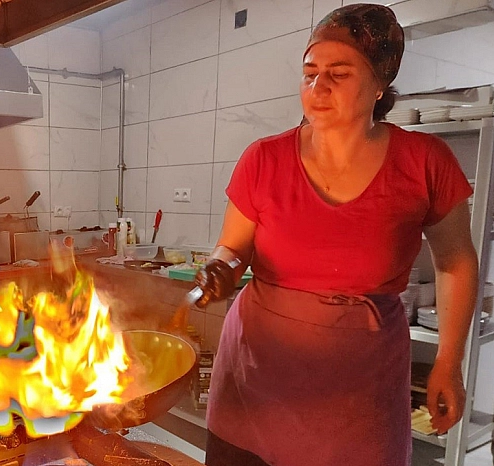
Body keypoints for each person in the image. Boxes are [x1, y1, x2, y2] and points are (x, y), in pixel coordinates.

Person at [194, 4, 479, 466]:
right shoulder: (263, 159)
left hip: (359, 391)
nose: (317, 87)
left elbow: (456, 261)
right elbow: (234, 247)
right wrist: (220, 268)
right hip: (255, 379)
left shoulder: (426, 161)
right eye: (309, 73)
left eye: (339, 74)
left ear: (380, 84)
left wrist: (449, 361)